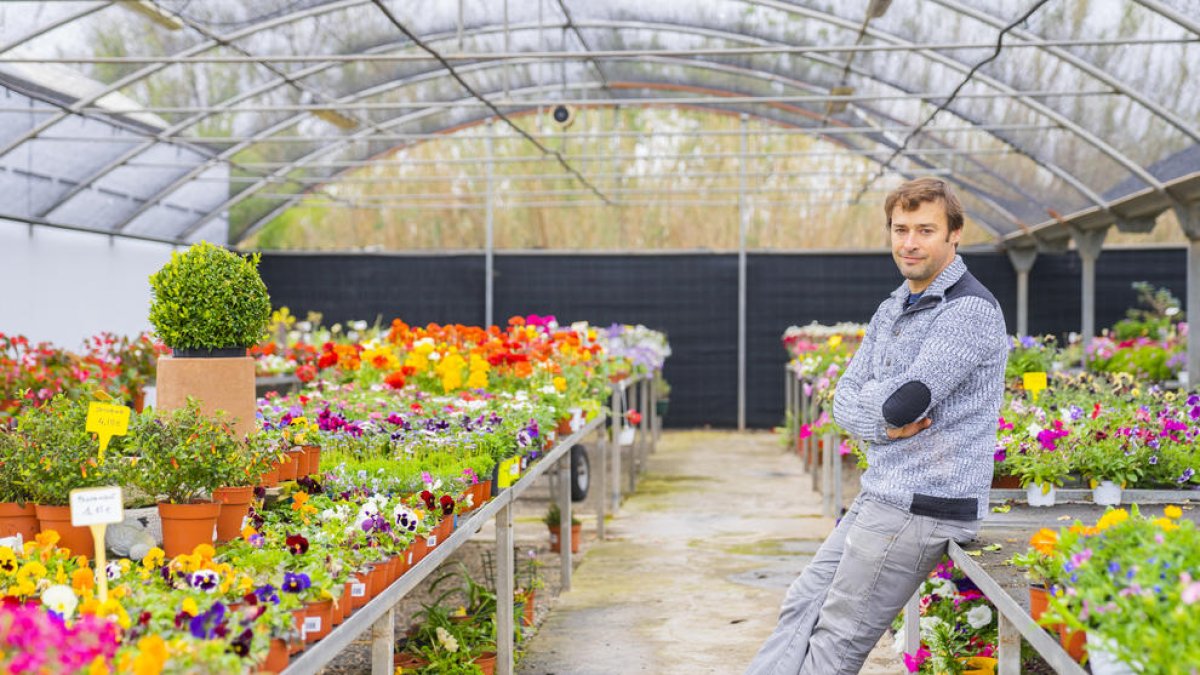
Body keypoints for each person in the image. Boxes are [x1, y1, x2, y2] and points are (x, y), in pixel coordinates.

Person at [746, 177, 1008, 675]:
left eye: (925, 230)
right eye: (900, 229)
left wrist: (881, 414)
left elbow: (905, 403)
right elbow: (843, 398)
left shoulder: (968, 310)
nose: (909, 242)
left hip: (925, 503)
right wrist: (883, 424)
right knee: (802, 605)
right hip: (882, 493)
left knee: (836, 639)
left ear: (955, 234)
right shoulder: (894, 307)